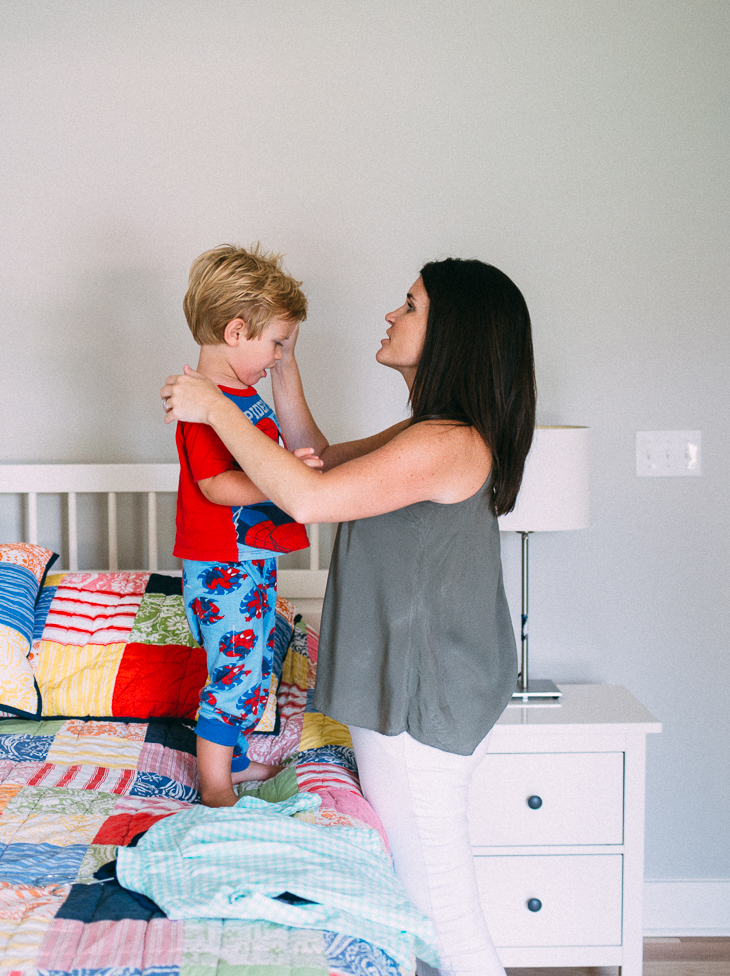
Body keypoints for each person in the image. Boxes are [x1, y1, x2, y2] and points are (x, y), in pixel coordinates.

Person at [160, 258, 535, 976]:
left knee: (444, 919)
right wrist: (284, 371)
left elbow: (305, 497)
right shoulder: (426, 432)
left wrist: (217, 409)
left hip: (423, 701)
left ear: (452, 331)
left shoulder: (444, 443)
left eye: (411, 306)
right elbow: (321, 462)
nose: (392, 316)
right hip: (416, 691)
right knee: (430, 905)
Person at [173, 244, 325, 808]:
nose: (280, 357)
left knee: (255, 661)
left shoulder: (241, 397)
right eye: (276, 343)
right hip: (221, 561)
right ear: (236, 332)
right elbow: (217, 486)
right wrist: (280, 481)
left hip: (250, 556)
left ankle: (233, 761)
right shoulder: (203, 403)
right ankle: (214, 782)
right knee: (234, 667)